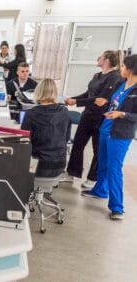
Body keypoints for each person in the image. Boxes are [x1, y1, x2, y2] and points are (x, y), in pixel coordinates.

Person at [81, 54, 137, 220]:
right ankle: (100, 190)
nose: (122, 69)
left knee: (114, 168)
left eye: (124, 66)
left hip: (120, 134)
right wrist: (105, 103)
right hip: (105, 128)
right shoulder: (121, 83)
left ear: (131, 69)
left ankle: (117, 207)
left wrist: (122, 114)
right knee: (102, 162)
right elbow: (114, 101)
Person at [62, 50, 122, 189]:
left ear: (106, 60)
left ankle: (92, 179)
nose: (97, 58)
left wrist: (76, 102)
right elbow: (89, 93)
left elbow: (99, 99)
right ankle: (72, 173)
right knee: (78, 144)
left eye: (100, 57)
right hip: (87, 115)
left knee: (98, 149)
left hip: (100, 118)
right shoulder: (97, 75)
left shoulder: (114, 78)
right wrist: (73, 99)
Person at [21, 79, 71, 177]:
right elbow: (66, 138)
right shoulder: (65, 112)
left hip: (38, 165)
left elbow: (24, 142)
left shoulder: (31, 114)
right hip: (59, 165)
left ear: (38, 92)